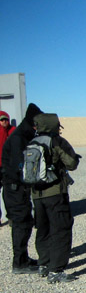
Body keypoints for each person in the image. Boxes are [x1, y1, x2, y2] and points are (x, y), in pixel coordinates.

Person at [30, 113, 81, 283]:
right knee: (61, 229)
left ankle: (43, 264)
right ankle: (56, 270)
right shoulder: (57, 141)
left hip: (36, 194)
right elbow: (71, 163)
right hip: (55, 193)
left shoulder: (32, 142)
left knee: (43, 228)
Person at [1, 103, 43, 273]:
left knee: (24, 223)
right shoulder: (19, 137)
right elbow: (19, 165)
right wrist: (29, 181)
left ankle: (22, 258)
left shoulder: (21, 134)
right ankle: (19, 263)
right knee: (21, 224)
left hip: (16, 188)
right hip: (15, 189)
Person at [0, 111, 16, 225]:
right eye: (1, 120)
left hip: (8, 167)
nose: (4, 121)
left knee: (8, 193)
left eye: (5, 119)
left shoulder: (13, 131)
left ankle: (11, 216)